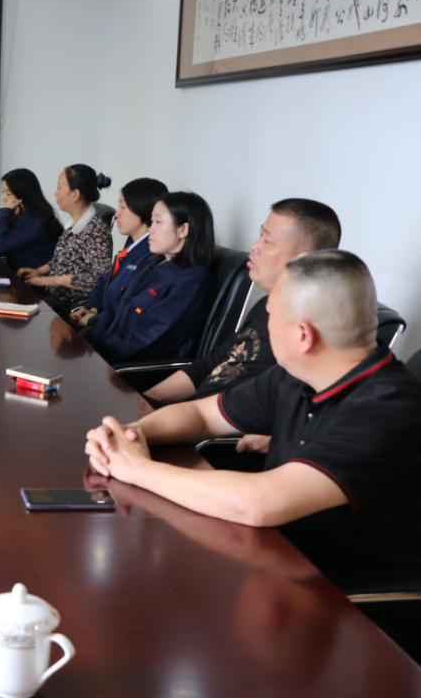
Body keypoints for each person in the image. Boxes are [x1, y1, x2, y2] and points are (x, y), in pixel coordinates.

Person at [84, 250, 421, 594]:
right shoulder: (297, 376)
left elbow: (260, 503)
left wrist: (137, 469)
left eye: (270, 315)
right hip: (277, 554)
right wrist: (129, 435)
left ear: (302, 336)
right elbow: (201, 415)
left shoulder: (387, 408)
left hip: (345, 595)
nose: (266, 323)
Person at [143, 198, 341, 404]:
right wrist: (148, 399)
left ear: (302, 261)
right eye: (259, 235)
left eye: (267, 240)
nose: (255, 246)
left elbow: (233, 411)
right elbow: (210, 364)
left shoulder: (297, 336)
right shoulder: (265, 307)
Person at [82, 191, 214, 364]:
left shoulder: (191, 281)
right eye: (152, 222)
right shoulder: (153, 263)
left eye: (158, 222)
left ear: (183, 230)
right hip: (103, 349)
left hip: (127, 367)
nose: (151, 229)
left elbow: (148, 341)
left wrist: (94, 348)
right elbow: (121, 313)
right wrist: (91, 324)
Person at [16, 164, 113, 317]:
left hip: (71, 311)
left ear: (75, 194)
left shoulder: (97, 232)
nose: (56, 193)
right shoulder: (72, 224)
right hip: (53, 303)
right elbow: (63, 259)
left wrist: (50, 281)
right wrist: (39, 271)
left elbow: (97, 279)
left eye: (59, 188)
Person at [70, 177, 168, 329]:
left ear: (143, 209)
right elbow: (105, 280)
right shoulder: (133, 243)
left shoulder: (152, 256)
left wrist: (95, 319)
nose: (117, 214)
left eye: (123, 207)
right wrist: (92, 307)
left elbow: (125, 310)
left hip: (108, 331)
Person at [0, 169, 63, 270]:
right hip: (18, 274)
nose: (4, 199)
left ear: (22, 194)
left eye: (8, 194)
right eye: (3, 193)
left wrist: (4, 211)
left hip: (33, 277)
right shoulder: (23, 213)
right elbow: (4, 232)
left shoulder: (37, 223)